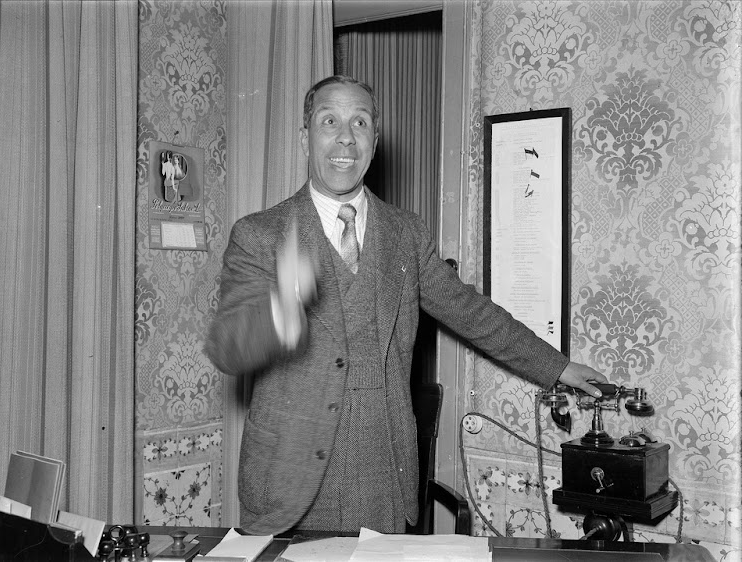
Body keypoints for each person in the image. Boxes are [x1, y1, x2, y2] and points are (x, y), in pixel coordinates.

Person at [205, 75, 608, 536]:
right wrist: (284, 305)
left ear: (374, 142)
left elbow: (470, 311)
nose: (345, 137)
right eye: (329, 121)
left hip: (383, 476)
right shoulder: (259, 234)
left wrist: (558, 367)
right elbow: (227, 348)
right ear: (305, 138)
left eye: (360, 123)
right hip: (289, 483)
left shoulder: (406, 233)